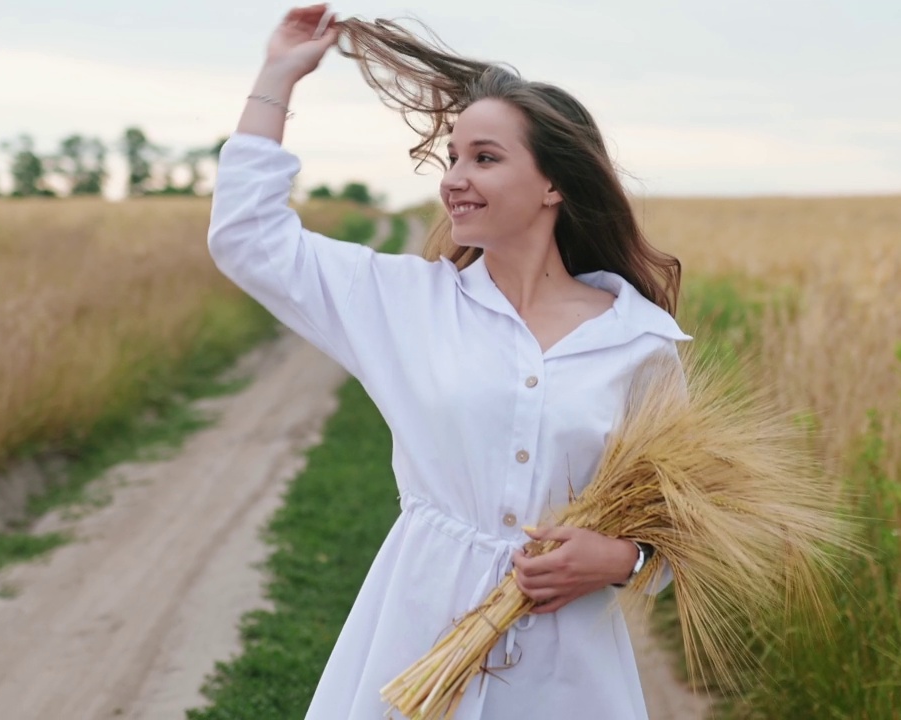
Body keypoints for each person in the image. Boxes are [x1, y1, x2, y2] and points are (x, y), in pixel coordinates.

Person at [208, 5, 690, 718]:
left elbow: (680, 524)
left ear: (554, 184)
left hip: (567, 674)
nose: (455, 179)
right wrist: (278, 73)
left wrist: (623, 562)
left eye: (485, 159)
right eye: (453, 157)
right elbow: (248, 238)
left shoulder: (641, 343)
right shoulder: (406, 304)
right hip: (417, 629)